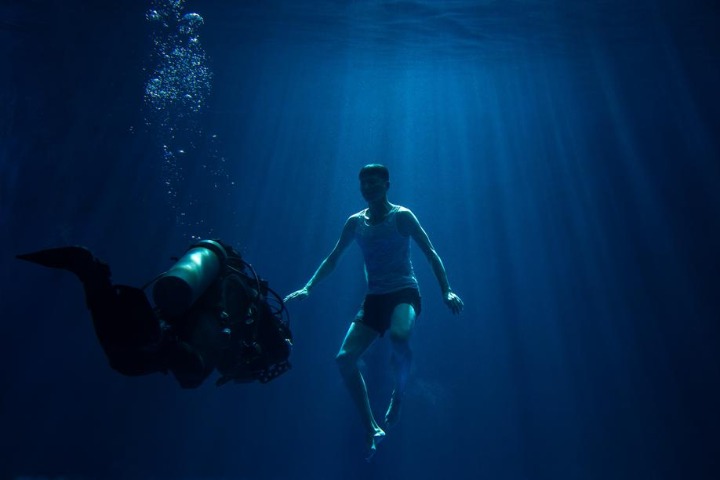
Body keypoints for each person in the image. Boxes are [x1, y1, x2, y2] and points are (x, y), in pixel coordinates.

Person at [284, 164, 463, 460]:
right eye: (364, 183)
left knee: (399, 335)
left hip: (404, 291)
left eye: (374, 182)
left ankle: (398, 394)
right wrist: (308, 287)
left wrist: (447, 290)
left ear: (387, 185)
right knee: (344, 360)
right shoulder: (355, 223)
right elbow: (333, 257)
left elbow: (430, 253)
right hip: (374, 298)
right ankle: (371, 427)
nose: (368, 188)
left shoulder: (402, 217)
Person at [17, 240, 292, 388]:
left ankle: (94, 279)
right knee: (192, 372)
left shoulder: (218, 278)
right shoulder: (244, 288)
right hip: (199, 326)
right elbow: (269, 344)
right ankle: (156, 336)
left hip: (177, 318)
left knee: (126, 362)